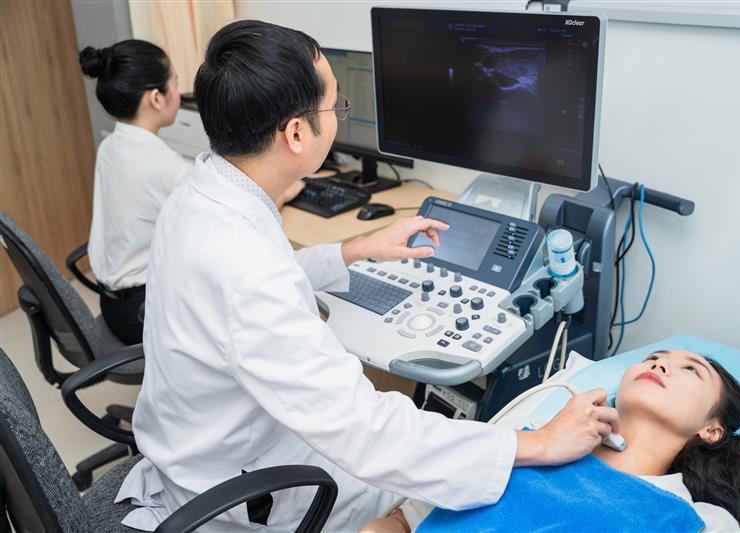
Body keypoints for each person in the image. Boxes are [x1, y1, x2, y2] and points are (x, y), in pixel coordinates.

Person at [114, 20, 620, 532]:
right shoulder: (244, 264)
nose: (338, 116)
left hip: (203, 447)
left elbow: (252, 285)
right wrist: (536, 442)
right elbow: (365, 431)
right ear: (295, 133)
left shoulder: (202, 194)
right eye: (335, 106)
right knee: (439, 489)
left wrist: (352, 251)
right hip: (245, 491)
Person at [362, 350, 740, 533]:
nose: (660, 364)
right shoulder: (523, 446)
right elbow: (401, 522)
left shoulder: (696, 519)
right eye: (654, 358)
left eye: (691, 370)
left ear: (712, 429)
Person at [79, 40, 304, 344]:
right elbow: (235, 220)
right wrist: (284, 193)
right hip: (143, 312)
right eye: (175, 83)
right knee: (264, 303)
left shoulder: (111, 146)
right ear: (156, 98)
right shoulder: (164, 168)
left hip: (111, 304)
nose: (179, 91)